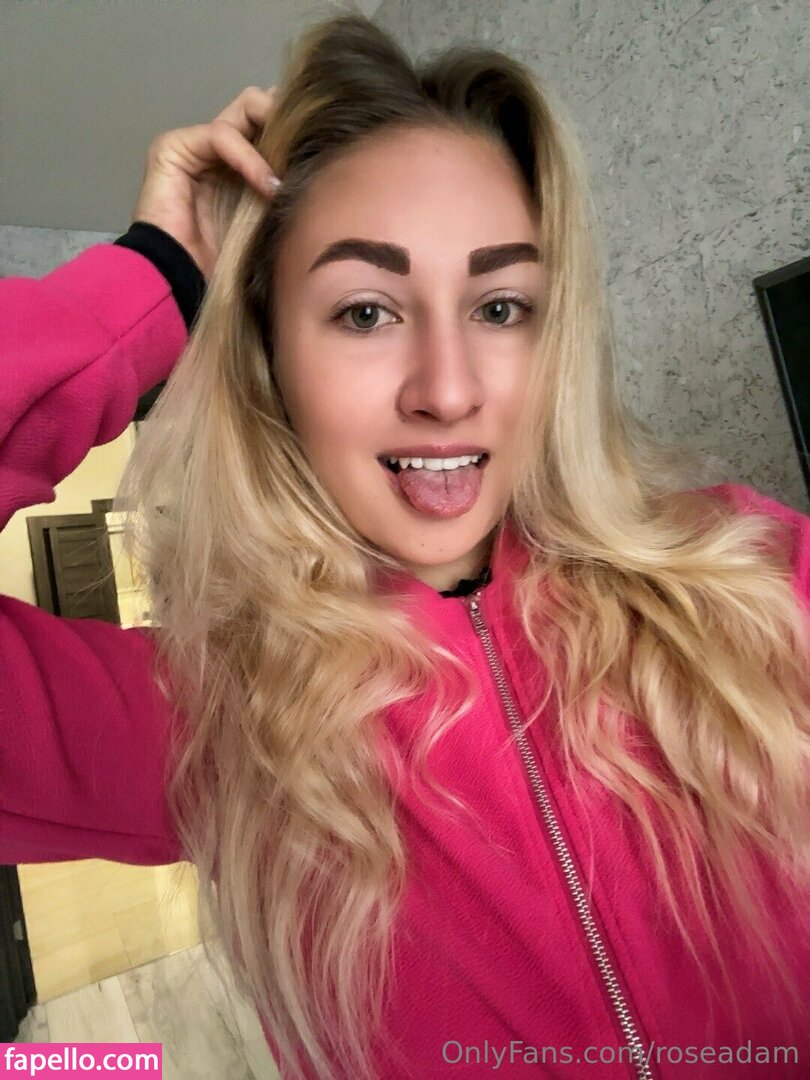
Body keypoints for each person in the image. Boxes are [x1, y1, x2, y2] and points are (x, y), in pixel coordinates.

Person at [2, 12, 809, 1080]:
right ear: (269, 357)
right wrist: (151, 279)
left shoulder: (756, 580)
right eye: (367, 312)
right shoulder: (214, 726)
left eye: (501, 305)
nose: (448, 389)